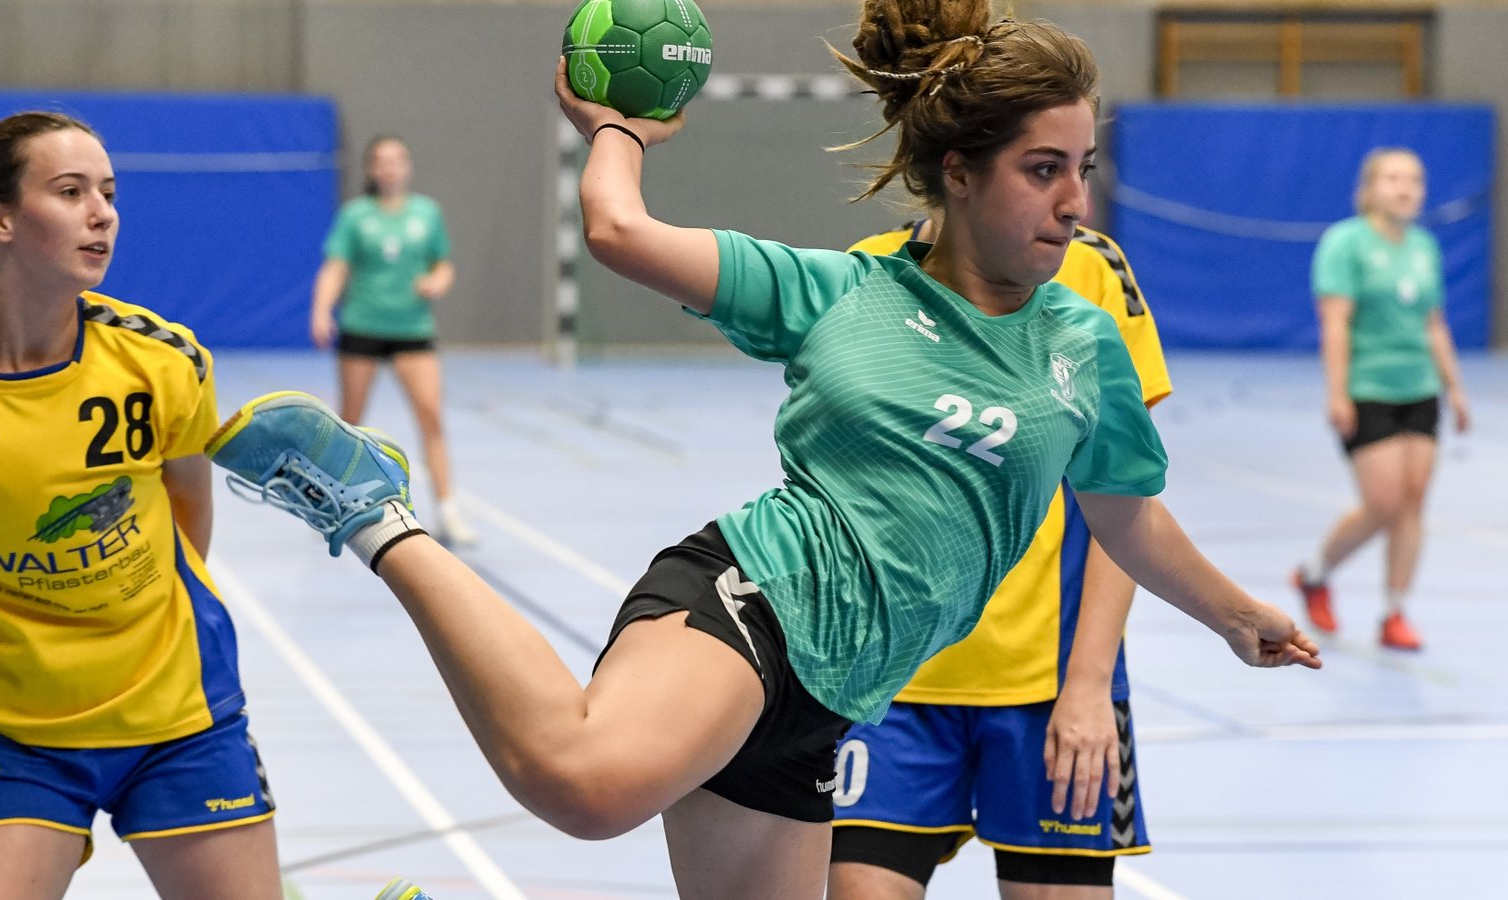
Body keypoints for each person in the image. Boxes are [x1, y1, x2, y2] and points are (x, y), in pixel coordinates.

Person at [208, 3, 1319, 897]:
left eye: (1082, 167)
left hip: (831, 699)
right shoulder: (842, 293)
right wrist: (618, 134)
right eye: (1043, 170)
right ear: (960, 173)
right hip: (753, 606)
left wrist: (1233, 615)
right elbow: (619, 234)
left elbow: (1120, 509)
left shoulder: (1080, 337)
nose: (1074, 200)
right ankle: (376, 511)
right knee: (587, 788)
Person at [0, 112, 283, 899]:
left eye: (108, 193)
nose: (102, 212)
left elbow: (188, 520)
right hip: (10, 733)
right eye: (71, 191)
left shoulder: (162, 360)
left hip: (179, 720)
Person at [829, 216, 1170, 898]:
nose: (1068, 193)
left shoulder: (1091, 265)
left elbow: (1124, 504)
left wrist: (1089, 686)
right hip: (890, 684)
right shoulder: (869, 269)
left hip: (1047, 683)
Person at [1292, 147, 1471, 652]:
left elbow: (1434, 323)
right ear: (1369, 188)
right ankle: (1314, 573)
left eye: (1414, 179)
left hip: (1420, 389)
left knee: (1413, 501)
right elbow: (1335, 323)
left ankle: (1395, 610)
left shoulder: (1424, 247)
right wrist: (1338, 393)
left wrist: (1454, 388)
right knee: (1384, 502)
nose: (1405, 188)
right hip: (1368, 389)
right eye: (1393, 178)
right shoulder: (1344, 244)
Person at [310, 134, 475, 545]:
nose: (390, 167)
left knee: (431, 417)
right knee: (351, 421)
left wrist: (438, 280)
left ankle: (448, 509)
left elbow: (443, 263)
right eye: (382, 161)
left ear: (407, 166)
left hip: (412, 331)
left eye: (398, 159)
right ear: (371, 169)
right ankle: (335, 503)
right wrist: (320, 309)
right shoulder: (355, 215)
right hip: (362, 327)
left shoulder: (427, 213)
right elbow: (335, 267)